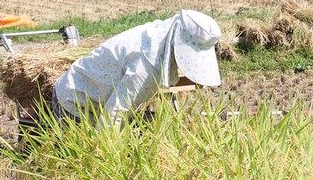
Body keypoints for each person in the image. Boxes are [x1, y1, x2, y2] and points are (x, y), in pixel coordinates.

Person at [52, 10, 221, 127]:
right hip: (76, 102)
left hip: (98, 95)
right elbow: (114, 113)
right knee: (80, 164)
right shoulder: (147, 66)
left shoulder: (160, 33)